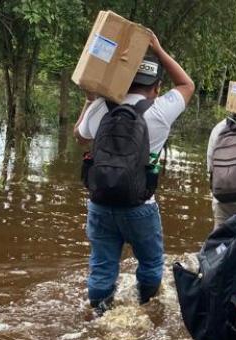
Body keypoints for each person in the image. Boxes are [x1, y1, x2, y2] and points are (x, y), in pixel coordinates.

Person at [74, 32, 195, 317]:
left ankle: (100, 315)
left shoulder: (101, 106)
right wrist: (159, 47)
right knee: (151, 266)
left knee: (102, 267)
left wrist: (90, 99)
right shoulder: (161, 111)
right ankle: (144, 308)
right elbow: (187, 84)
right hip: (140, 207)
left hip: (100, 203)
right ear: (156, 87)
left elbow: (79, 136)